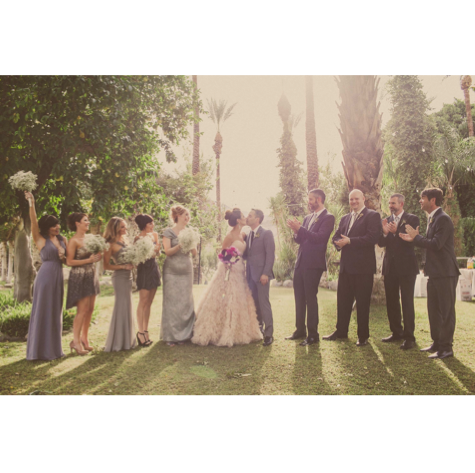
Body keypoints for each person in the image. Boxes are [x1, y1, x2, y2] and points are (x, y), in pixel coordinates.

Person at [400, 187, 460, 359]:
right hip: (434, 272)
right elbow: (429, 244)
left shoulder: (443, 219)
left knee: (446, 311)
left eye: (423, 197)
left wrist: (416, 238)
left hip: (446, 272)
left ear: (432, 200)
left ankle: (446, 348)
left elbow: (436, 244)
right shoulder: (432, 219)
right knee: (433, 310)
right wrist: (415, 239)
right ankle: (437, 343)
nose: (420, 200)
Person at [192, 208, 263, 347]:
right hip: (228, 271)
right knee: (226, 297)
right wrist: (230, 261)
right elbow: (222, 253)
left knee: (239, 299)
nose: (245, 218)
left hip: (240, 271)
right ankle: (219, 330)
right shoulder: (229, 236)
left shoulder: (243, 235)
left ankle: (238, 330)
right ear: (238, 220)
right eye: (243, 216)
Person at [323, 189, 382, 346]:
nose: (354, 202)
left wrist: (350, 241)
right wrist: (338, 243)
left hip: (363, 268)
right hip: (346, 268)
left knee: (362, 303)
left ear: (363, 198)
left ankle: (363, 336)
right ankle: (341, 331)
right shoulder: (345, 218)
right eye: (351, 199)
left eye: (356, 199)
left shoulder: (372, 216)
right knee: (343, 301)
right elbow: (336, 236)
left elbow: (372, 238)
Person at [286, 189, 335, 346]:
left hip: (314, 264)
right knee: (299, 297)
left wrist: (300, 229)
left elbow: (320, 238)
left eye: (311, 199)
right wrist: (296, 231)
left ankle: (313, 334)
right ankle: (300, 330)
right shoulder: (307, 218)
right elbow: (301, 240)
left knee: (310, 298)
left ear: (319, 200)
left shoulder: (328, 217)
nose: (309, 202)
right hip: (301, 262)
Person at [24, 191, 68, 360]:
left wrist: (63, 257)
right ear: (46, 228)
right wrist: (32, 203)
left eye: (57, 224)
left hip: (58, 276)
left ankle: (54, 350)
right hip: (45, 278)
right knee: (43, 310)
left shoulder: (63, 240)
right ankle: (38, 351)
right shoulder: (40, 239)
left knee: (55, 311)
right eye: (53, 226)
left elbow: (67, 261)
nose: (57, 227)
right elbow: (33, 222)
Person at [378, 194, 420, 350]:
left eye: (393, 203)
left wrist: (396, 233)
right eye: (389, 203)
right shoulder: (386, 220)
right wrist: (384, 233)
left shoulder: (412, 219)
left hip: (407, 267)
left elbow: (412, 242)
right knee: (391, 301)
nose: (390, 206)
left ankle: (409, 337)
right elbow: (381, 243)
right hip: (390, 267)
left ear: (401, 204)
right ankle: (396, 332)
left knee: (407, 302)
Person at [66, 213, 101, 355]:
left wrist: (97, 257)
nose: (88, 222)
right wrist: (88, 260)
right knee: (82, 310)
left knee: (90, 308)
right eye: (85, 220)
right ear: (77, 223)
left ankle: (84, 339)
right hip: (79, 276)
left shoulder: (90, 238)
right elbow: (69, 262)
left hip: (91, 274)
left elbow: (94, 257)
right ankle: (76, 342)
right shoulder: (73, 241)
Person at [161, 205, 197, 346]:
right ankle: (171, 336)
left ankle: (185, 335)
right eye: (185, 214)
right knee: (172, 302)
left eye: (188, 215)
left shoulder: (190, 232)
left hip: (186, 270)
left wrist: (192, 245)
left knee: (185, 301)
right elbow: (167, 252)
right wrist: (180, 245)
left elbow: (194, 253)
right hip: (171, 271)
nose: (187, 217)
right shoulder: (168, 232)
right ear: (178, 216)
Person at [103, 217, 136, 352]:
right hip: (119, 277)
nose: (125, 229)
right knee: (121, 306)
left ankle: (127, 340)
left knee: (127, 306)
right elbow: (106, 265)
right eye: (122, 227)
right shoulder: (109, 244)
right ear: (115, 228)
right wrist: (123, 267)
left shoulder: (125, 241)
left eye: (125, 226)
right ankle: (118, 342)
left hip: (128, 277)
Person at [243, 208, 275, 346]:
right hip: (250, 275)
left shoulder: (266, 233)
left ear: (257, 219)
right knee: (255, 303)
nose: (247, 217)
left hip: (262, 276)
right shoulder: (248, 235)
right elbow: (247, 255)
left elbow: (270, 255)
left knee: (264, 303)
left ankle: (269, 334)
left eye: (250, 216)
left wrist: (265, 273)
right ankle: (259, 329)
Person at [134, 214, 161, 347]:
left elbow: (157, 254)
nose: (152, 225)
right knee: (143, 301)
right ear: (144, 225)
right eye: (150, 223)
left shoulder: (154, 235)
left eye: (152, 223)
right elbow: (137, 258)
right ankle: (140, 333)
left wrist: (157, 250)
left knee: (149, 302)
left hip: (153, 268)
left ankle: (146, 330)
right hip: (144, 270)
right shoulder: (138, 239)